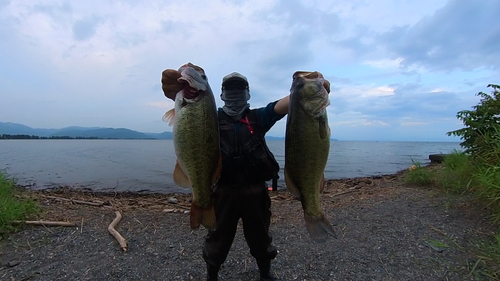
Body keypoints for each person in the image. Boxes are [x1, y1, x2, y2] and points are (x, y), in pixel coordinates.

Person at [202, 72, 289, 281]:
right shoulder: (209, 119)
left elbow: (283, 105)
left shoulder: (258, 117)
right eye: (230, 89)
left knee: (260, 236)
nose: (235, 93)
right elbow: (187, 109)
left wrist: (309, 87)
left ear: (247, 93)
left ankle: (265, 273)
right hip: (223, 192)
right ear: (222, 94)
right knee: (218, 237)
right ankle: (211, 275)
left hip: (255, 191)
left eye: (239, 89)